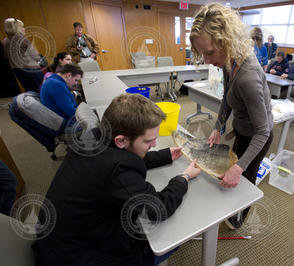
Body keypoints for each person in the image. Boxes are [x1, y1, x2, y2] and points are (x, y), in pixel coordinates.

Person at [33, 93, 200, 265]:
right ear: (121, 140)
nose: (155, 144)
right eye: (149, 141)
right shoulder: (118, 170)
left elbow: (125, 154)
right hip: (76, 256)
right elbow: (157, 208)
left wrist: (165, 155)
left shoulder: (95, 135)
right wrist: (183, 178)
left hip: (57, 241)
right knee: (168, 241)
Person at [190, 3, 274, 229]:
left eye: (209, 52)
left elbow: (263, 132)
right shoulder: (230, 62)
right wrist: (218, 126)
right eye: (202, 53)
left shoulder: (248, 76)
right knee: (233, 168)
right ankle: (233, 205)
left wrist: (239, 168)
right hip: (244, 130)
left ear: (226, 41)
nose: (207, 60)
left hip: (258, 136)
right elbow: (227, 97)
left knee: (245, 178)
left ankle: (238, 219)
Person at [2, 18, 44, 92]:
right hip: (31, 68)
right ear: (17, 28)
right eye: (22, 27)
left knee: (30, 91)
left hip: (17, 70)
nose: (24, 29)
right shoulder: (21, 38)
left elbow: (6, 57)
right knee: (42, 88)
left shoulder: (4, 41)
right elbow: (35, 55)